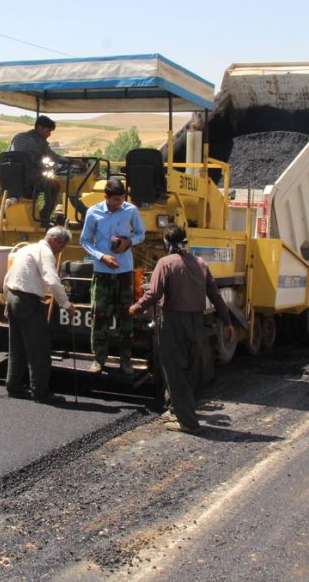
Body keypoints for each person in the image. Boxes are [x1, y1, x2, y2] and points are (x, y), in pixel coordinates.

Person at [129, 225, 235, 433]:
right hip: (196, 322)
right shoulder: (200, 263)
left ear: (167, 245)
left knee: (174, 370)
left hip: (173, 321)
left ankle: (188, 422)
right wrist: (228, 321)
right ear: (185, 242)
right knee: (187, 369)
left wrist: (135, 308)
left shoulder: (165, 263)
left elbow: (154, 294)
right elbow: (215, 296)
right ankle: (175, 409)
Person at [2, 226, 77, 403]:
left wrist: (7, 301)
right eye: (62, 246)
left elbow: (9, 275)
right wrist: (66, 303)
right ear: (55, 240)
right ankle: (40, 392)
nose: (61, 251)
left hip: (13, 296)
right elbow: (51, 279)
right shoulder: (45, 252)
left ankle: (14, 386)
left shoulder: (26, 248)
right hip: (28, 301)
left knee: (17, 345)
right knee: (39, 349)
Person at [79, 178, 146, 375]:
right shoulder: (93, 212)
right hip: (102, 272)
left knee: (126, 317)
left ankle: (126, 360)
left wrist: (129, 242)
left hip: (124, 272)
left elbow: (141, 233)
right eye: (115, 200)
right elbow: (84, 240)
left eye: (121, 199)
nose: (119, 203)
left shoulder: (131, 210)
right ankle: (99, 359)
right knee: (99, 317)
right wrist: (102, 256)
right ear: (106, 197)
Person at [6, 114, 68, 221]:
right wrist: (72, 161)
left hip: (11, 179)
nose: (49, 135)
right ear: (40, 128)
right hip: (29, 179)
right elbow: (54, 157)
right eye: (48, 131)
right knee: (54, 185)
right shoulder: (39, 142)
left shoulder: (18, 136)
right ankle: (44, 218)